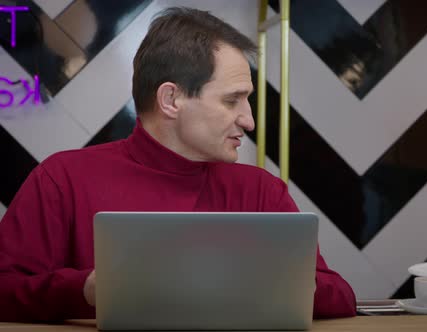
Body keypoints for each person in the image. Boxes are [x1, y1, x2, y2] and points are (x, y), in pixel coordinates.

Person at [0, 7, 356, 322]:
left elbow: (341, 296)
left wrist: (291, 284)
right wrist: (86, 290)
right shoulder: (63, 179)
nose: (249, 120)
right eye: (232, 100)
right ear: (171, 99)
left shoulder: (261, 190)